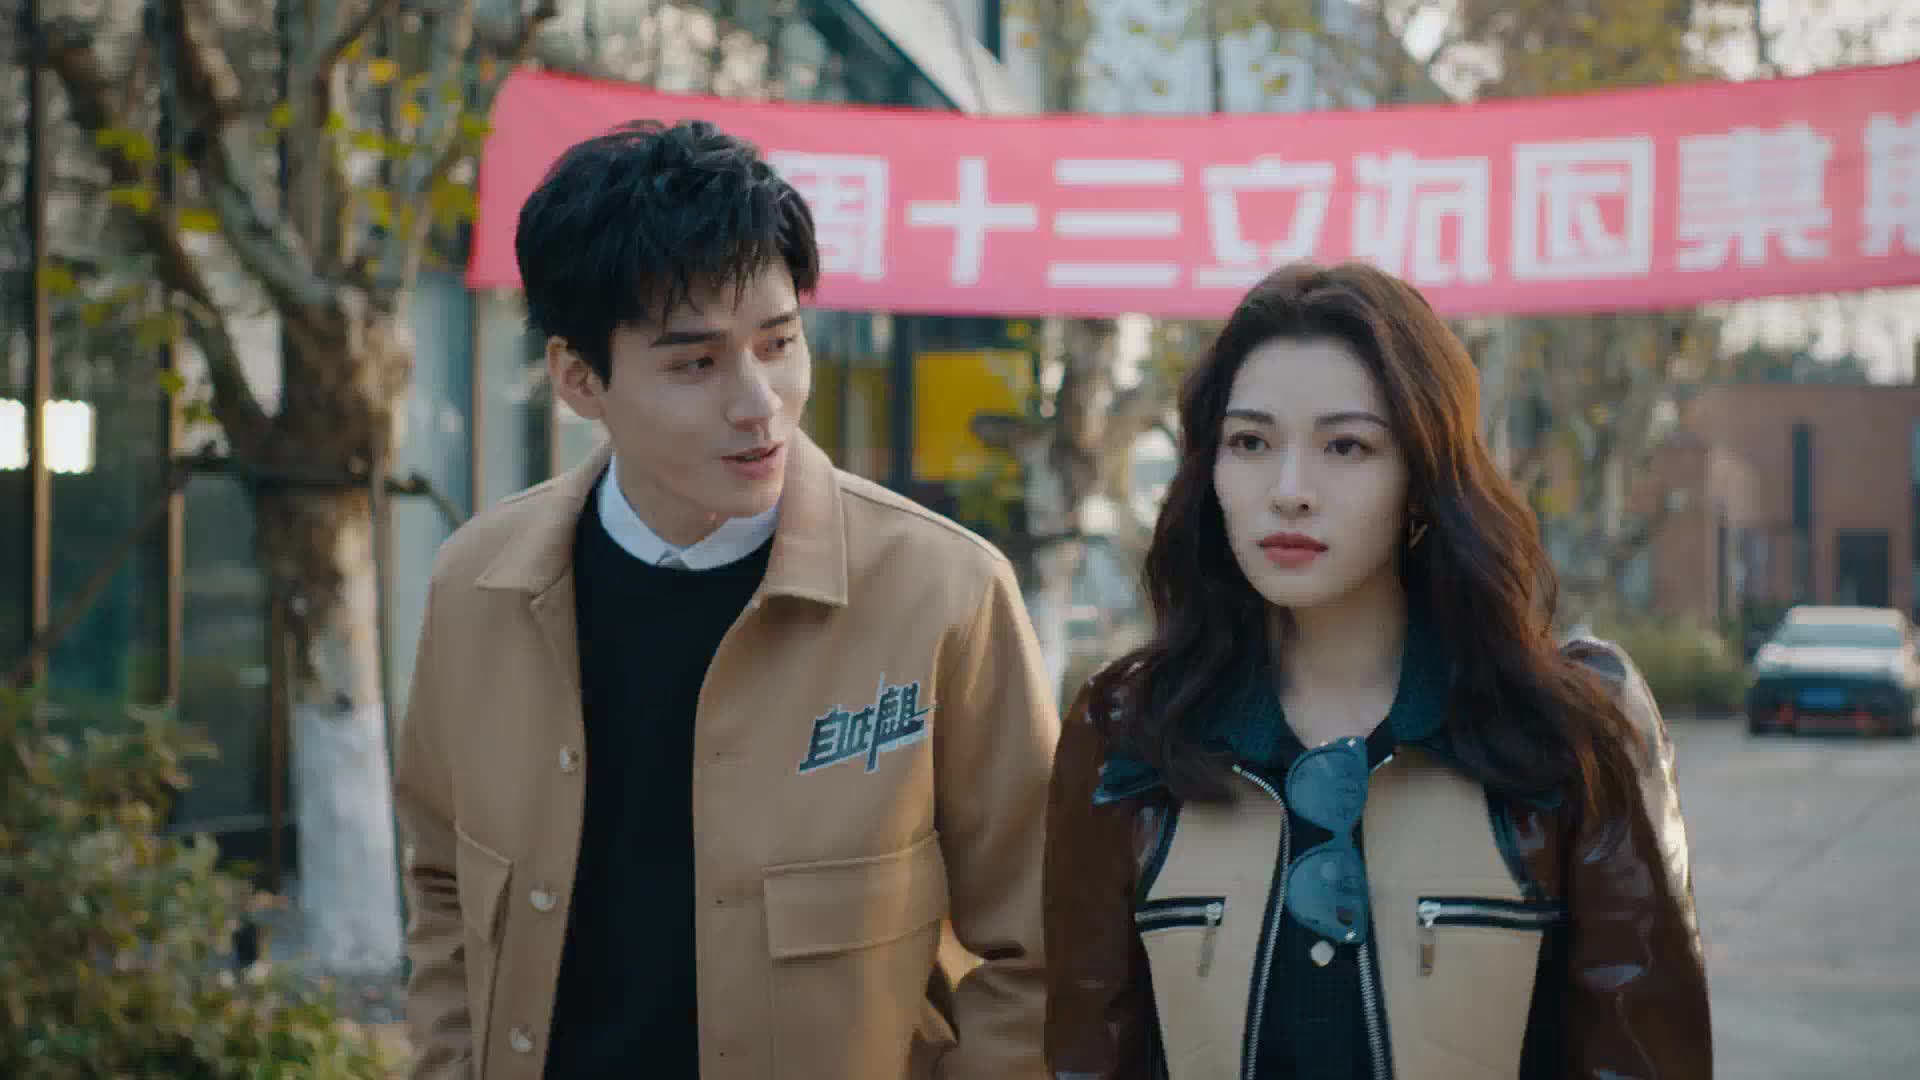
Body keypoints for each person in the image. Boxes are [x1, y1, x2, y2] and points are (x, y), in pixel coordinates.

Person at [393, 119, 1058, 1079]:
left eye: (779, 343)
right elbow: (442, 890)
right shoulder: (477, 587)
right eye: (695, 363)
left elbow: (1037, 947)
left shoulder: (944, 594)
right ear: (580, 379)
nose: (759, 402)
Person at [1042, 262, 1711, 1079]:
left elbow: (1643, 1057)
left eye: (1346, 446)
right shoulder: (1126, 732)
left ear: (1424, 474)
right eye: (1250, 442)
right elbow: (1086, 1058)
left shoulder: (1574, 728)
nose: (1290, 490)